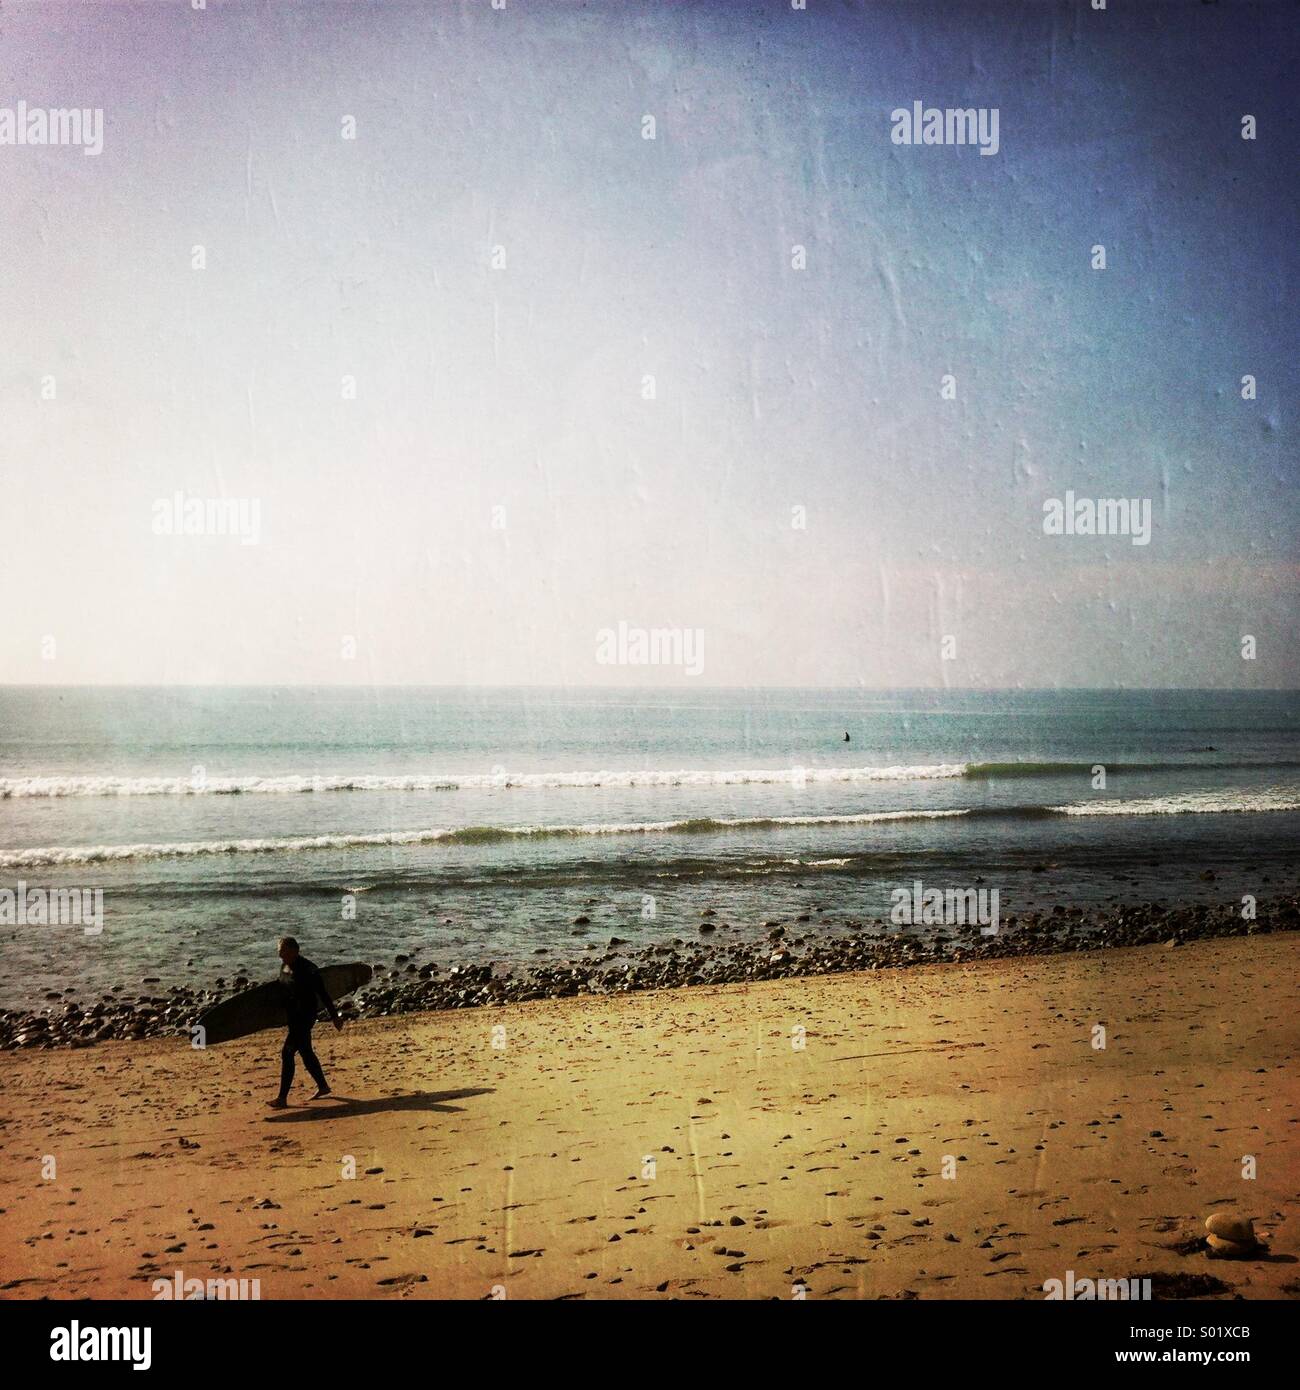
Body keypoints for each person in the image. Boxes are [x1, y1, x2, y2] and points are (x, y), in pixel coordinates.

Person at [268, 936, 341, 1108]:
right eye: (279, 952)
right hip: (293, 1017)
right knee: (306, 1052)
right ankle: (323, 1086)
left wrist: (335, 1016)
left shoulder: (309, 970)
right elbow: (282, 988)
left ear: (295, 950)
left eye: (283, 951)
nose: (280, 955)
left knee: (287, 1053)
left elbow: (324, 994)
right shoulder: (285, 966)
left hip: (305, 1017)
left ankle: (282, 1098)